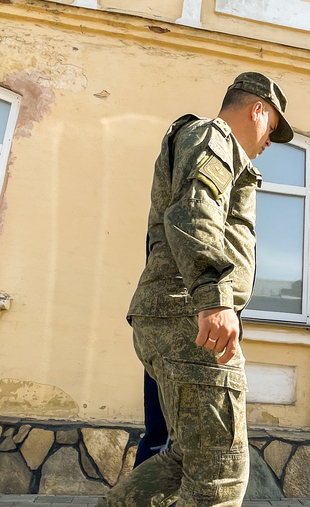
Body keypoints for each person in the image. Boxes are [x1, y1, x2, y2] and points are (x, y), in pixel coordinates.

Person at [99, 72, 293, 507]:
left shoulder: (224, 151)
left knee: (185, 458)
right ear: (257, 109)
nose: (270, 141)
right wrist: (213, 297)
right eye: (273, 128)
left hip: (177, 315)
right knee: (220, 475)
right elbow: (193, 208)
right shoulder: (213, 135)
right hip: (189, 316)